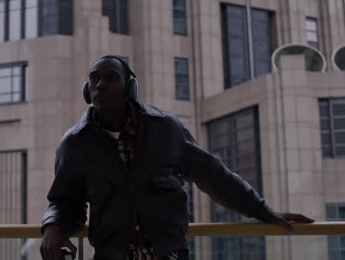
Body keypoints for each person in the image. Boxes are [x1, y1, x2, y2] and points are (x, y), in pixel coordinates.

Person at [40, 55, 314, 260]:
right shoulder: (75, 144)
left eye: (111, 77)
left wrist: (263, 211)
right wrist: (52, 226)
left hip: (168, 253)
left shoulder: (165, 129)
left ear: (129, 87)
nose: (100, 85)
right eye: (94, 79)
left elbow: (215, 176)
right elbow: (65, 201)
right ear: (87, 89)